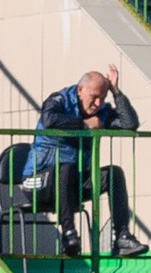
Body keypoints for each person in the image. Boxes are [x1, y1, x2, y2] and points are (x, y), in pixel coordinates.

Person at [25, 66, 144, 260]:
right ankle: (69, 234)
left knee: (114, 174)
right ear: (80, 90)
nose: (98, 103)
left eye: (102, 98)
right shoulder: (60, 99)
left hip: (72, 182)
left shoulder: (101, 112)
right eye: (94, 97)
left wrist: (116, 92)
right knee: (65, 169)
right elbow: (48, 119)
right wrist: (84, 125)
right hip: (38, 182)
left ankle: (122, 237)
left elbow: (129, 124)